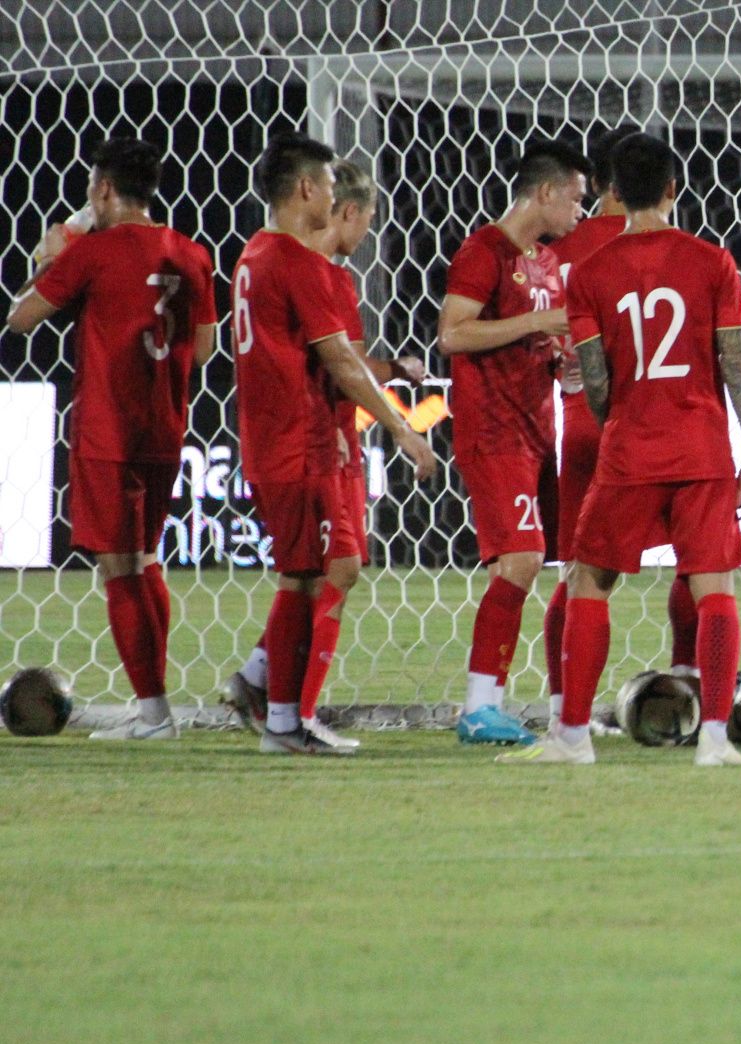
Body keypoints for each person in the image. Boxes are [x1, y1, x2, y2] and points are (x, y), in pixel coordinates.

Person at [500, 133, 741, 767]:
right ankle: (716, 740)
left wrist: (618, 422)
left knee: (588, 581)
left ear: (613, 193)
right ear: (673, 189)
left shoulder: (589, 274)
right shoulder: (712, 262)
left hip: (630, 447)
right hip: (700, 445)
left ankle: (573, 736)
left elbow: (594, 380)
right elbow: (734, 363)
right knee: (714, 586)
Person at [5, 135, 218, 741]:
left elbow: (20, 318)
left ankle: (154, 717)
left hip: (106, 431)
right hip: (164, 430)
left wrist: (49, 255)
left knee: (118, 569)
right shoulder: (193, 253)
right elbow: (203, 348)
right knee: (147, 561)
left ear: (101, 189)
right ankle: (156, 708)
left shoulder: (93, 252)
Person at [232, 132, 437, 754]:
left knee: (308, 575)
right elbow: (343, 364)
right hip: (302, 447)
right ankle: (285, 722)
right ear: (305, 190)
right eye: (324, 181)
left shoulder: (253, 255)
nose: (330, 189)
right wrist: (404, 427)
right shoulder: (298, 265)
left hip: (272, 444)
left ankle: (277, 709)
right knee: (308, 580)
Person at [438, 137, 589, 746]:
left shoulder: (546, 263)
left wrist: (561, 361)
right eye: (575, 199)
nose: (580, 212)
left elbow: (539, 338)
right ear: (545, 193)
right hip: (493, 431)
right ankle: (479, 706)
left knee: (544, 560)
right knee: (522, 560)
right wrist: (537, 323)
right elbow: (452, 335)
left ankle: (544, 704)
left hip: (536, 430)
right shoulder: (484, 252)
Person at [541, 125, 662, 730]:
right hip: (659, 427)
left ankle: (569, 710)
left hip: (582, 423)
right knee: (702, 569)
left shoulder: (559, 248)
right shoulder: (671, 245)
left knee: (580, 575)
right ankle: (692, 689)